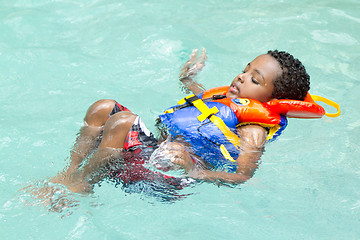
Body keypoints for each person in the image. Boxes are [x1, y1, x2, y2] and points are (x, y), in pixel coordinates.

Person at [50, 49, 312, 193]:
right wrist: (187, 79)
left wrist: (194, 170)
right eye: (245, 69)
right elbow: (202, 100)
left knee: (122, 122)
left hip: (168, 176)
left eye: (255, 80)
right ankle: (71, 172)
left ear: (272, 100)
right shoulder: (224, 100)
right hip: (150, 151)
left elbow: (243, 177)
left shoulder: (254, 129)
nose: (242, 77)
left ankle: (79, 186)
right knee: (102, 108)